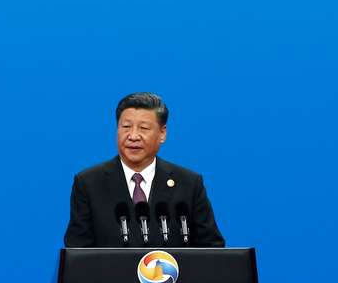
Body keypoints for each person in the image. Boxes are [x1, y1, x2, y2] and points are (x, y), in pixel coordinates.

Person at [64, 92, 225, 248]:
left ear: (162, 133)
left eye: (143, 128)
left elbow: (212, 250)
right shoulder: (89, 183)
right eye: (126, 126)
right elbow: (77, 252)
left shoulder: (189, 183)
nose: (133, 136)